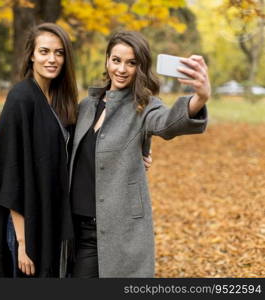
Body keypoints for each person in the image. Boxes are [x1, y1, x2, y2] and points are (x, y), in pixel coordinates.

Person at [0, 23, 153, 278]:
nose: (52, 59)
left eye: (59, 52)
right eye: (44, 51)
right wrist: (22, 242)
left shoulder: (58, 100)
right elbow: (10, 172)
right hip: (24, 224)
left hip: (47, 218)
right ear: (31, 55)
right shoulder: (21, 98)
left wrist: (131, 156)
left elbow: (79, 151)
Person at [69, 31, 210, 278]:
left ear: (141, 67)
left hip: (121, 232)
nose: (121, 69)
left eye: (131, 63)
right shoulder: (86, 106)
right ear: (106, 61)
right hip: (77, 230)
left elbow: (167, 123)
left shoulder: (144, 107)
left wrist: (200, 98)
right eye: (116, 60)